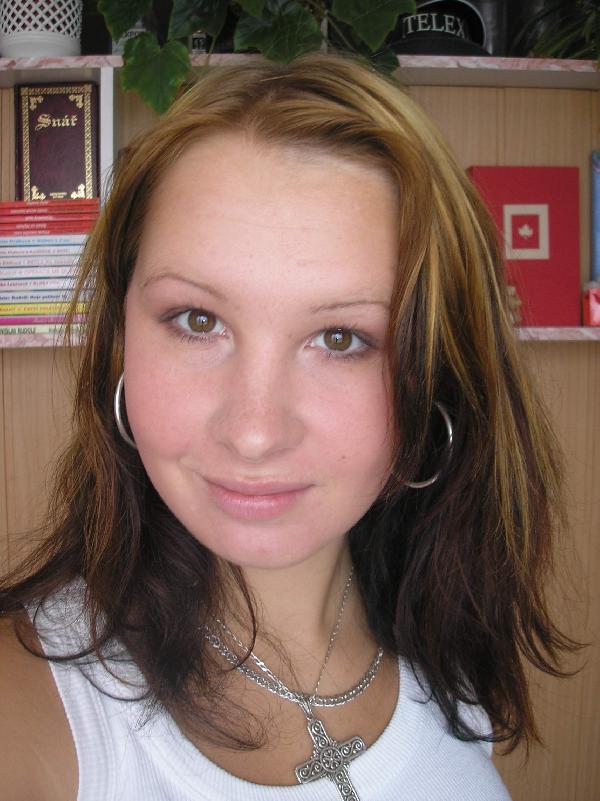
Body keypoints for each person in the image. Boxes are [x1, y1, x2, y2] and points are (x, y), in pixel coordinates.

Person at [0, 52, 577, 801]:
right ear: (120, 343)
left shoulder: (447, 654)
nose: (254, 432)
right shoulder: (30, 711)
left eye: (340, 338)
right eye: (197, 320)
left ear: (433, 374)